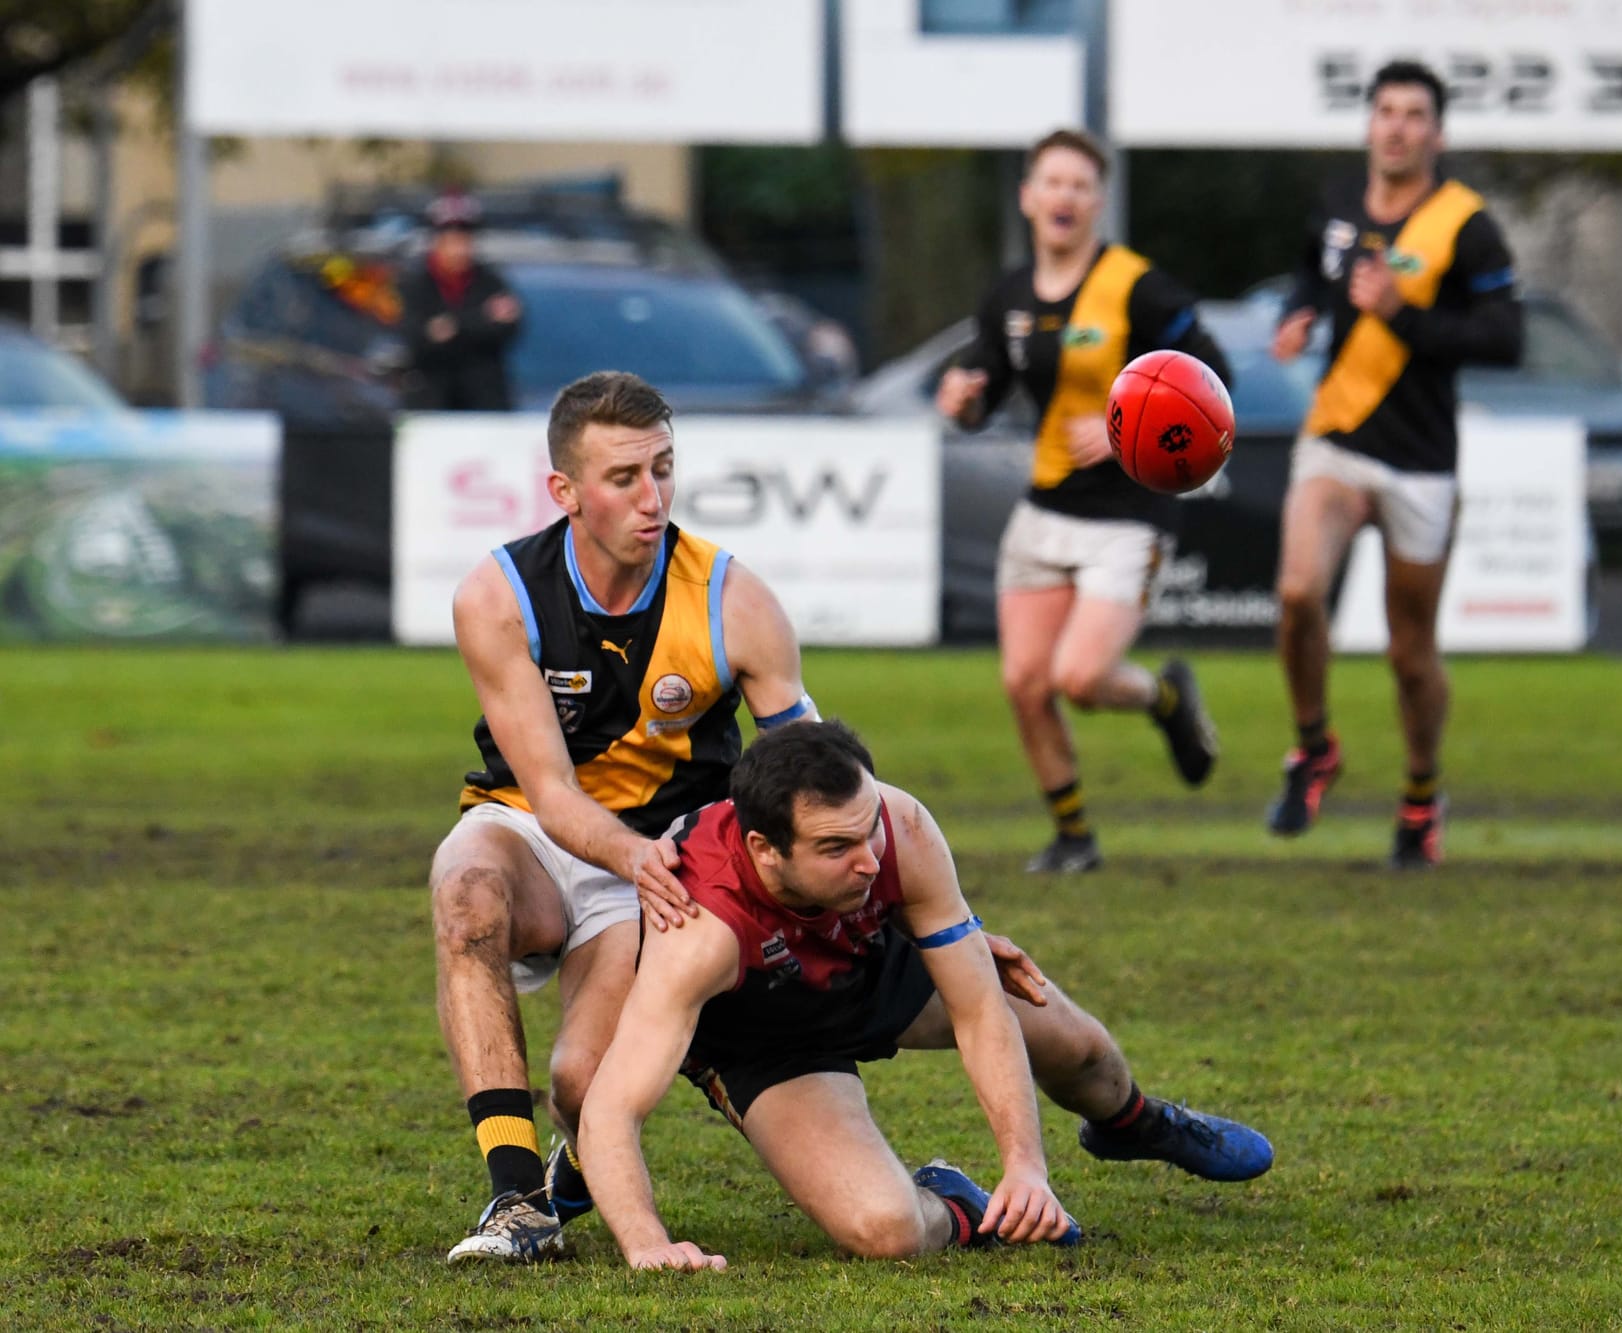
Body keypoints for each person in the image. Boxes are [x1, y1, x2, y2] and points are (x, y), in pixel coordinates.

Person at [431, 370, 1042, 1265]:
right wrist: (636, 855)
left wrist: (914, 916)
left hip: (669, 853)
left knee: (580, 1078)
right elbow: (554, 793)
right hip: (538, 824)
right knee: (467, 895)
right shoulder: (498, 595)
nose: (653, 496)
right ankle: (518, 1200)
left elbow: (820, 781)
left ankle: (1118, 1120)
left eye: (664, 470)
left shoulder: (729, 597)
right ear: (564, 491)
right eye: (625, 478)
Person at [578, 720, 1275, 1270]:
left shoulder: (900, 825)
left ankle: (1136, 1123)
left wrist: (1026, 1165)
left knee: (1077, 1044)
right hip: (766, 1040)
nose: (870, 858)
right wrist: (647, 1242)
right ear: (765, 850)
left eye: (868, 826)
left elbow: (979, 1008)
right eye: (835, 847)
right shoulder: (701, 931)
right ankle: (959, 1204)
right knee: (886, 1229)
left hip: (869, 962)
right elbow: (612, 1106)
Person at [934, 129, 1232, 875]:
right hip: (1045, 508)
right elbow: (983, 391)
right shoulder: (1008, 295)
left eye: (1079, 185)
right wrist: (961, 401)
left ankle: (1166, 699)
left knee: (1081, 676)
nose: (1064, 196)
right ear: (1028, 197)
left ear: (1098, 201)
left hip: (1129, 516)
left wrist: (1122, 425)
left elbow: (1210, 377)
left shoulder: (1138, 287)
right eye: (1051, 183)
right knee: (1025, 683)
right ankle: (1074, 835)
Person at [1265, 61, 1523, 867]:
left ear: (1437, 135)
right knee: (1299, 589)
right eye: (1386, 111)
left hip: (1420, 459)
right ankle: (1314, 747)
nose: (1399, 126)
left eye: (1415, 114)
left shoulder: (1467, 224)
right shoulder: (1341, 204)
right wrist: (1299, 313)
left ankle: (1420, 796)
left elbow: (1505, 339)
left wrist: (1403, 315)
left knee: (1410, 655)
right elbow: (1315, 267)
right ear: (1370, 124)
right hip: (1338, 438)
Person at [400, 193, 522, 411]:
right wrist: (480, 319)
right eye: (451, 240)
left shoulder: (490, 282)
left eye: (465, 240)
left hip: (484, 409)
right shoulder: (415, 285)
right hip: (431, 410)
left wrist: (452, 326)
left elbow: (509, 327)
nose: (459, 249)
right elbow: (414, 339)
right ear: (435, 242)